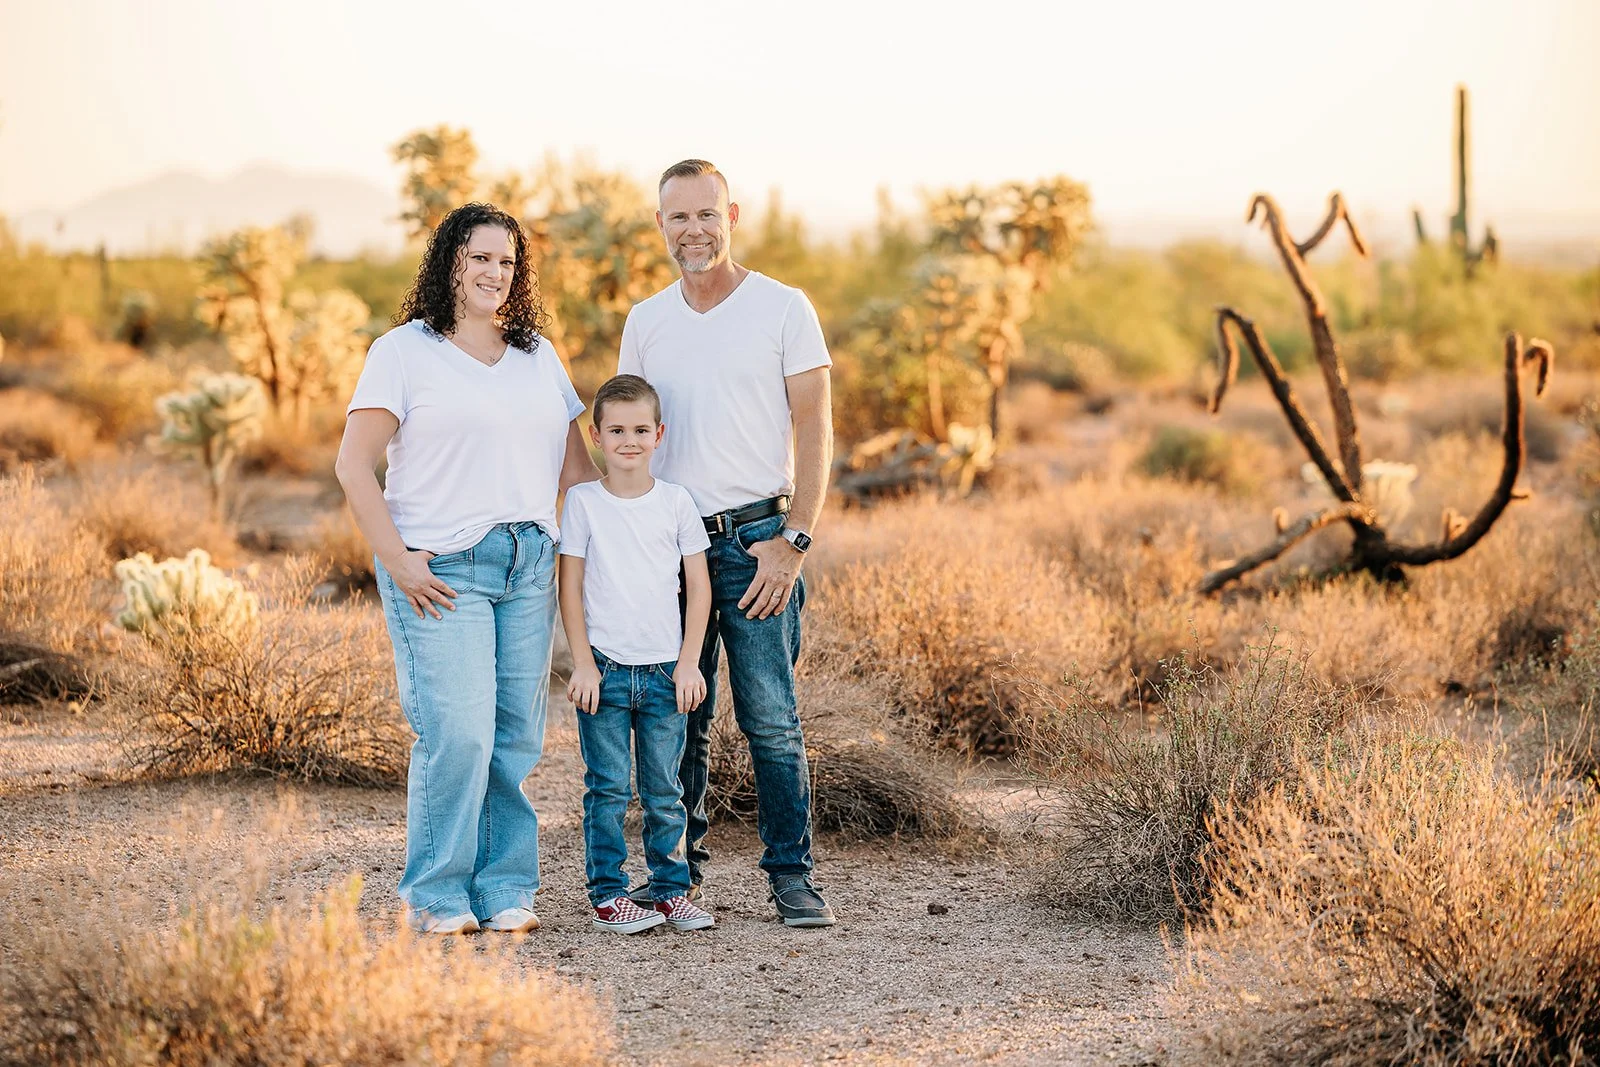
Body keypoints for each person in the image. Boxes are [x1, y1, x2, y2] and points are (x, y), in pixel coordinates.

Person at [335, 202, 596, 935]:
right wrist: (399, 562)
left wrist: (595, 563)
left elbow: (576, 474)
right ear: (449, 261)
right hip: (443, 567)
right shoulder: (403, 351)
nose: (494, 272)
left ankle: (506, 885)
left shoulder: (538, 354)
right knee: (458, 733)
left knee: (514, 736)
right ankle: (437, 894)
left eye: (507, 261)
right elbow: (353, 466)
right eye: (480, 257)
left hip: (528, 566)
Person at [618, 159, 837, 928]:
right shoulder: (645, 321)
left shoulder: (783, 307)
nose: (694, 230)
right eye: (678, 217)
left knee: (771, 716)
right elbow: (630, 438)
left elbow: (815, 426)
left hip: (757, 542)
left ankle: (792, 876)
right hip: (672, 545)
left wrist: (794, 540)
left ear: (731, 214)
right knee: (678, 715)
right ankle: (676, 872)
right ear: (660, 226)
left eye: (706, 214)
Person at [558, 374, 715, 934]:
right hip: (603, 669)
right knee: (607, 788)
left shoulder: (676, 503)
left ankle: (672, 890)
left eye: (641, 429)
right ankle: (608, 895)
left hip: (664, 674)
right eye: (617, 429)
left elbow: (699, 587)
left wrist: (690, 661)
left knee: (664, 789)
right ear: (597, 436)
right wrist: (581, 662)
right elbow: (569, 586)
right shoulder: (583, 502)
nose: (629, 439)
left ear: (659, 434)